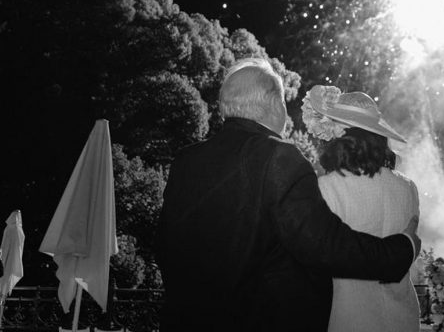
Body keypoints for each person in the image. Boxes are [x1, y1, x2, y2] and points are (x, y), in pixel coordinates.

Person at [155, 58, 420, 332]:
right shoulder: (278, 156)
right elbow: (326, 246)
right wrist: (403, 249)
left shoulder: (186, 160)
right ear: (274, 103)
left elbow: (163, 245)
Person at [302, 86, 421, 332]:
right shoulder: (408, 188)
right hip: (403, 320)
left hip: (349, 320)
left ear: (342, 136)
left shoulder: (325, 189)